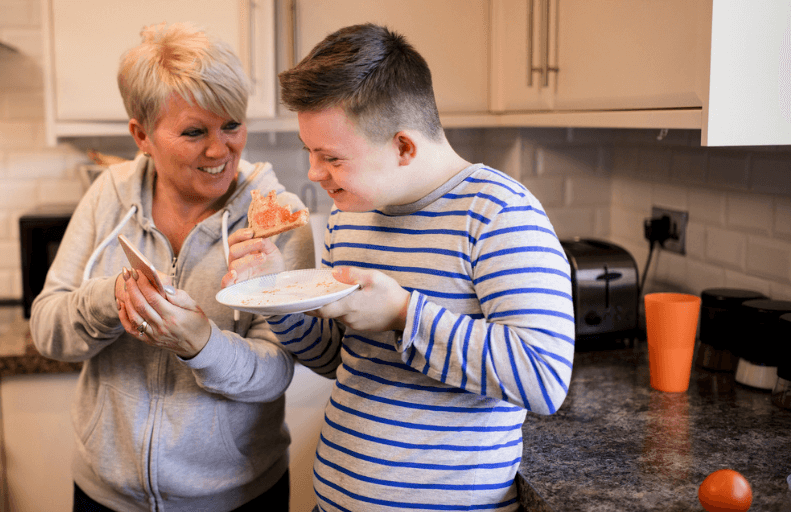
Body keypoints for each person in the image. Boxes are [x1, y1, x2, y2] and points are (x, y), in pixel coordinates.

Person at [224, 23, 575, 511]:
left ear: (404, 146)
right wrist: (275, 294)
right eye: (310, 151)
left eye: (332, 158)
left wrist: (405, 314)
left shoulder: (500, 215)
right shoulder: (349, 216)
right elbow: (337, 360)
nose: (313, 172)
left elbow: (544, 378)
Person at [30, 22, 315, 512]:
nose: (219, 149)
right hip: (106, 495)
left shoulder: (275, 216)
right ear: (142, 135)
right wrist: (107, 301)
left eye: (232, 125)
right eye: (193, 132)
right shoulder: (108, 196)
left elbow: (277, 370)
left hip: (239, 497)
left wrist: (202, 345)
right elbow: (47, 329)